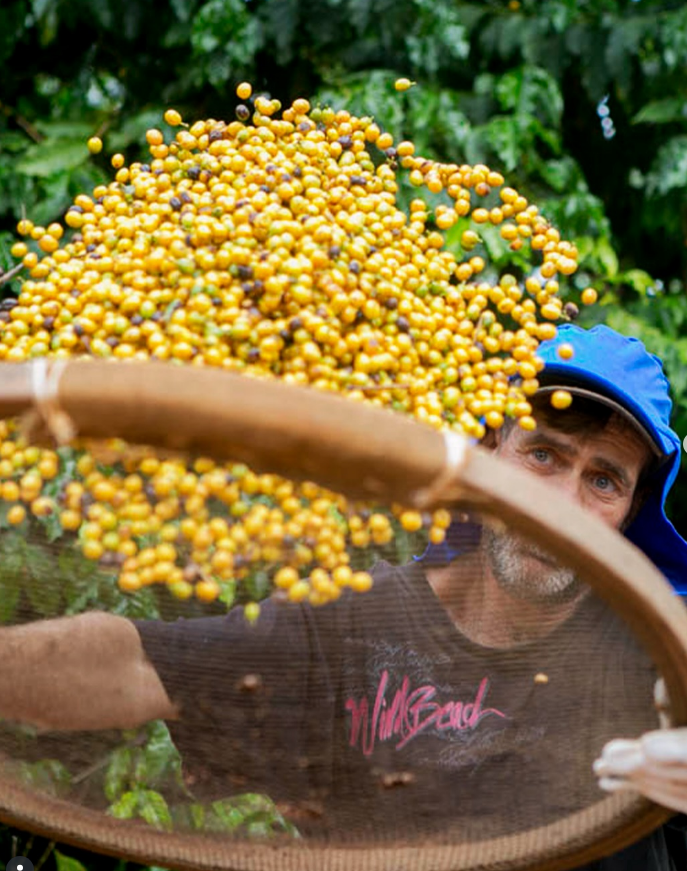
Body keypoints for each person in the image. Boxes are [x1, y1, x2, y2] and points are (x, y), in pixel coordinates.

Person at [0, 323, 686, 870]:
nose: (562, 504)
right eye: (542, 455)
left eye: (603, 481)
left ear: (631, 513)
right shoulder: (353, 620)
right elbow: (137, 665)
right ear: (488, 457)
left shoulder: (657, 651)